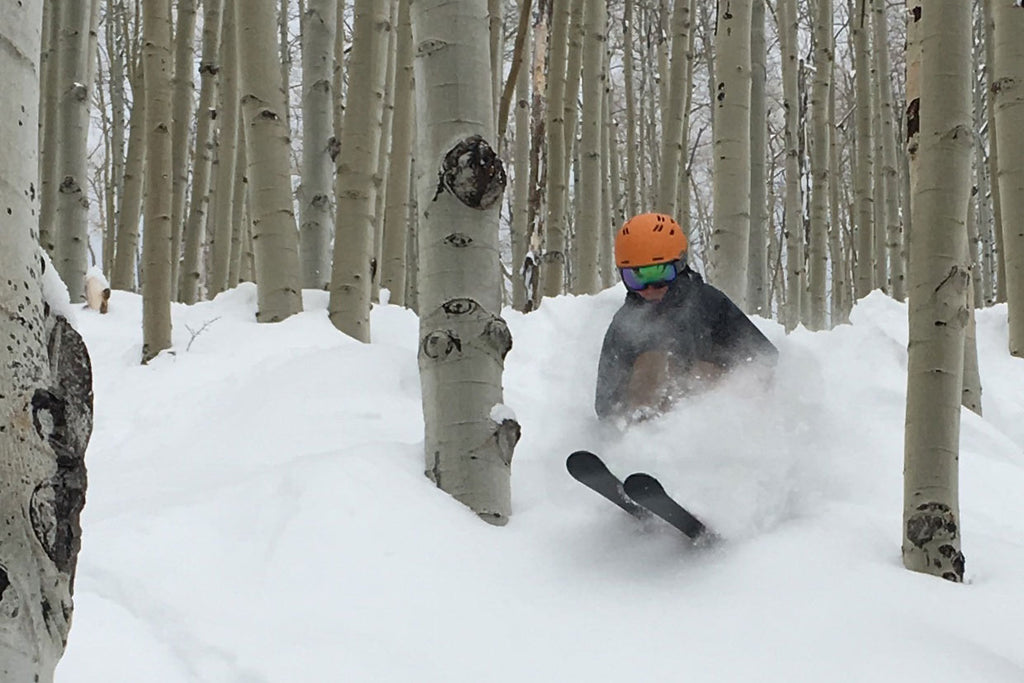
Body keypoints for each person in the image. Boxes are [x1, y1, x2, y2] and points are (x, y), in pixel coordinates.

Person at [595, 212, 778, 421]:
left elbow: (763, 361)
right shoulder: (625, 324)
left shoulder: (709, 304)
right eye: (635, 278)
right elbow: (606, 401)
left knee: (673, 367)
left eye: (658, 274)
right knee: (651, 365)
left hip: (716, 417)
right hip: (646, 426)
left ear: (679, 265)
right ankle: (644, 444)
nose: (648, 288)